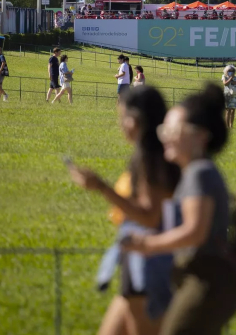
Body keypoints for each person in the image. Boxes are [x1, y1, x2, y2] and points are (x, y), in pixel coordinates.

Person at [121, 84, 236, 335]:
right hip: (199, 278)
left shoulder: (199, 173)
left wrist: (147, 244)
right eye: (164, 130)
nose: (165, 137)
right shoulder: (195, 172)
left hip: (207, 280)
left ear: (201, 136)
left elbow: (194, 232)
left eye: (173, 131)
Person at [69, 86, 182, 335]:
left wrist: (101, 187)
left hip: (149, 265)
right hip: (141, 260)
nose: (120, 125)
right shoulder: (152, 155)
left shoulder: (151, 159)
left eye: (123, 118)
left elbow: (150, 217)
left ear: (136, 119)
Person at [221, 64, 236, 129]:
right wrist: (230, 79)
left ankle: (231, 125)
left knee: (233, 110)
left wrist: (235, 82)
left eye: (232, 71)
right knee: (227, 110)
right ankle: (227, 125)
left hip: (234, 95)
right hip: (227, 95)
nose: (230, 72)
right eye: (229, 71)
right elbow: (225, 83)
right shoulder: (224, 76)